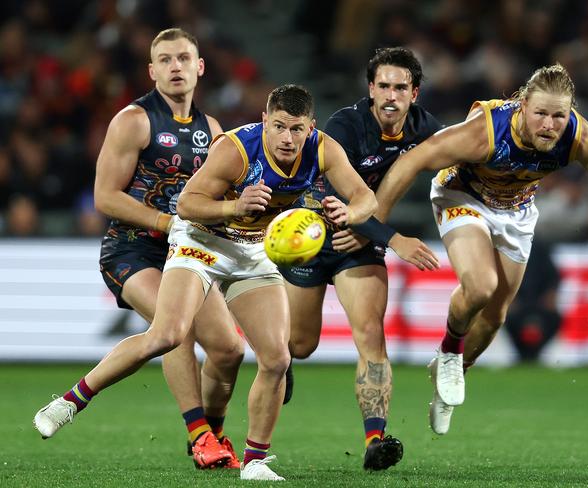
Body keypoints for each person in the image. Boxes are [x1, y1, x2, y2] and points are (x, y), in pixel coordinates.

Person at [34, 84, 377, 482]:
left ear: (310, 127)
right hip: (202, 242)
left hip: (253, 251)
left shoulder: (323, 149)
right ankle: (70, 402)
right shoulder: (235, 149)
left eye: (297, 129)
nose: (287, 138)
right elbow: (186, 204)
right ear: (265, 120)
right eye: (279, 126)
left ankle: (254, 461)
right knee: (167, 334)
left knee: (278, 358)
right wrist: (236, 205)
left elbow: (366, 197)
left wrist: (350, 211)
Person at [373, 63, 588, 436]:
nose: (550, 124)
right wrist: (376, 225)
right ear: (522, 106)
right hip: (463, 197)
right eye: (540, 114)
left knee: (495, 315)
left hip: (517, 211)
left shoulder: (578, 136)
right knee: (481, 285)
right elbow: (413, 161)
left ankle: (449, 378)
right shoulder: (484, 132)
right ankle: (451, 350)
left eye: (559, 115)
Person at [34, 28, 244, 469]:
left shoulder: (213, 131)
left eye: (184, 58)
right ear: (152, 71)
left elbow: (216, 204)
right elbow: (105, 197)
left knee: (228, 349)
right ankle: (198, 434)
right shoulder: (134, 120)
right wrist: (167, 223)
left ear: (200, 67)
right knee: (176, 330)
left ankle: (213, 432)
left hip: (187, 255)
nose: (175, 67)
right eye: (165, 60)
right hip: (131, 251)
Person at [279, 47, 442, 470]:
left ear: (414, 93)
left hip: (362, 244)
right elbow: (337, 195)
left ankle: (375, 438)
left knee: (371, 332)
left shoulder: (426, 129)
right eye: (383, 86)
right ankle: (279, 356)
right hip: (312, 237)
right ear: (370, 89)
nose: (390, 96)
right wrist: (394, 239)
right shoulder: (346, 126)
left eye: (400, 88)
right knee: (301, 344)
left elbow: (461, 158)